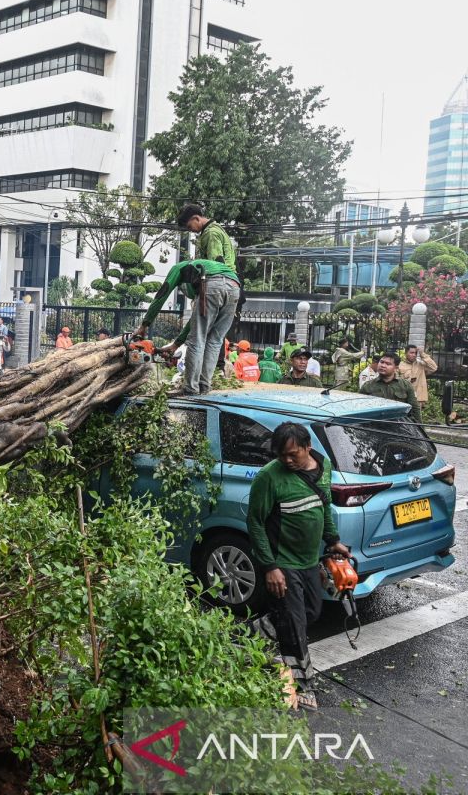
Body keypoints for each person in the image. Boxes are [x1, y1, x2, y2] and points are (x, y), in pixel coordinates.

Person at [247, 423, 351, 711]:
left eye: (292, 455)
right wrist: (269, 566)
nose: (287, 461)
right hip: (283, 563)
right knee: (295, 627)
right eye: (282, 456)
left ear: (307, 447)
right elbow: (255, 522)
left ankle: (256, 632)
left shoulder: (324, 466)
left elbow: (324, 505)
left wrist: (333, 540)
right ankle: (303, 684)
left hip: (308, 560)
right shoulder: (269, 478)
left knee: (311, 612)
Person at [134, 252, 241, 396]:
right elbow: (194, 323)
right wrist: (176, 345)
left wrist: (144, 325)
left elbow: (161, 296)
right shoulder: (205, 267)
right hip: (235, 286)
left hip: (212, 283)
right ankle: (204, 386)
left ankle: (190, 388)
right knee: (215, 341)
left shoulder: (178, 268)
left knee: (197, 340)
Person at [360, 352, 419, 416]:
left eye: (388, 364)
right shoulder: (368, 386)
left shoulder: (405, 385)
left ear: (396, 368)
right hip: (374, 423)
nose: (383, 365)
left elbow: (414, 408)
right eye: (381, 362)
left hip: (399, 424)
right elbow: (360, 408)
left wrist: (419, 425)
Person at [178, 203, 237, 268]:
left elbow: (215, 264)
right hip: (227, 274)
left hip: (220, 275)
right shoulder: (216, 228)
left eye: (189, 226)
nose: (190, 230)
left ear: (196, 219)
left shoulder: (211, 233)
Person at [399, 344, 438, 409]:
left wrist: (422, 354)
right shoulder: (400, 365)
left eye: (415, 353)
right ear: (406, 353)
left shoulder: (421, 364)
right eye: (411, 353)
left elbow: (434, 368)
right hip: (405, 397)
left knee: (416, 418)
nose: (414, 355)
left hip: (418, 399)